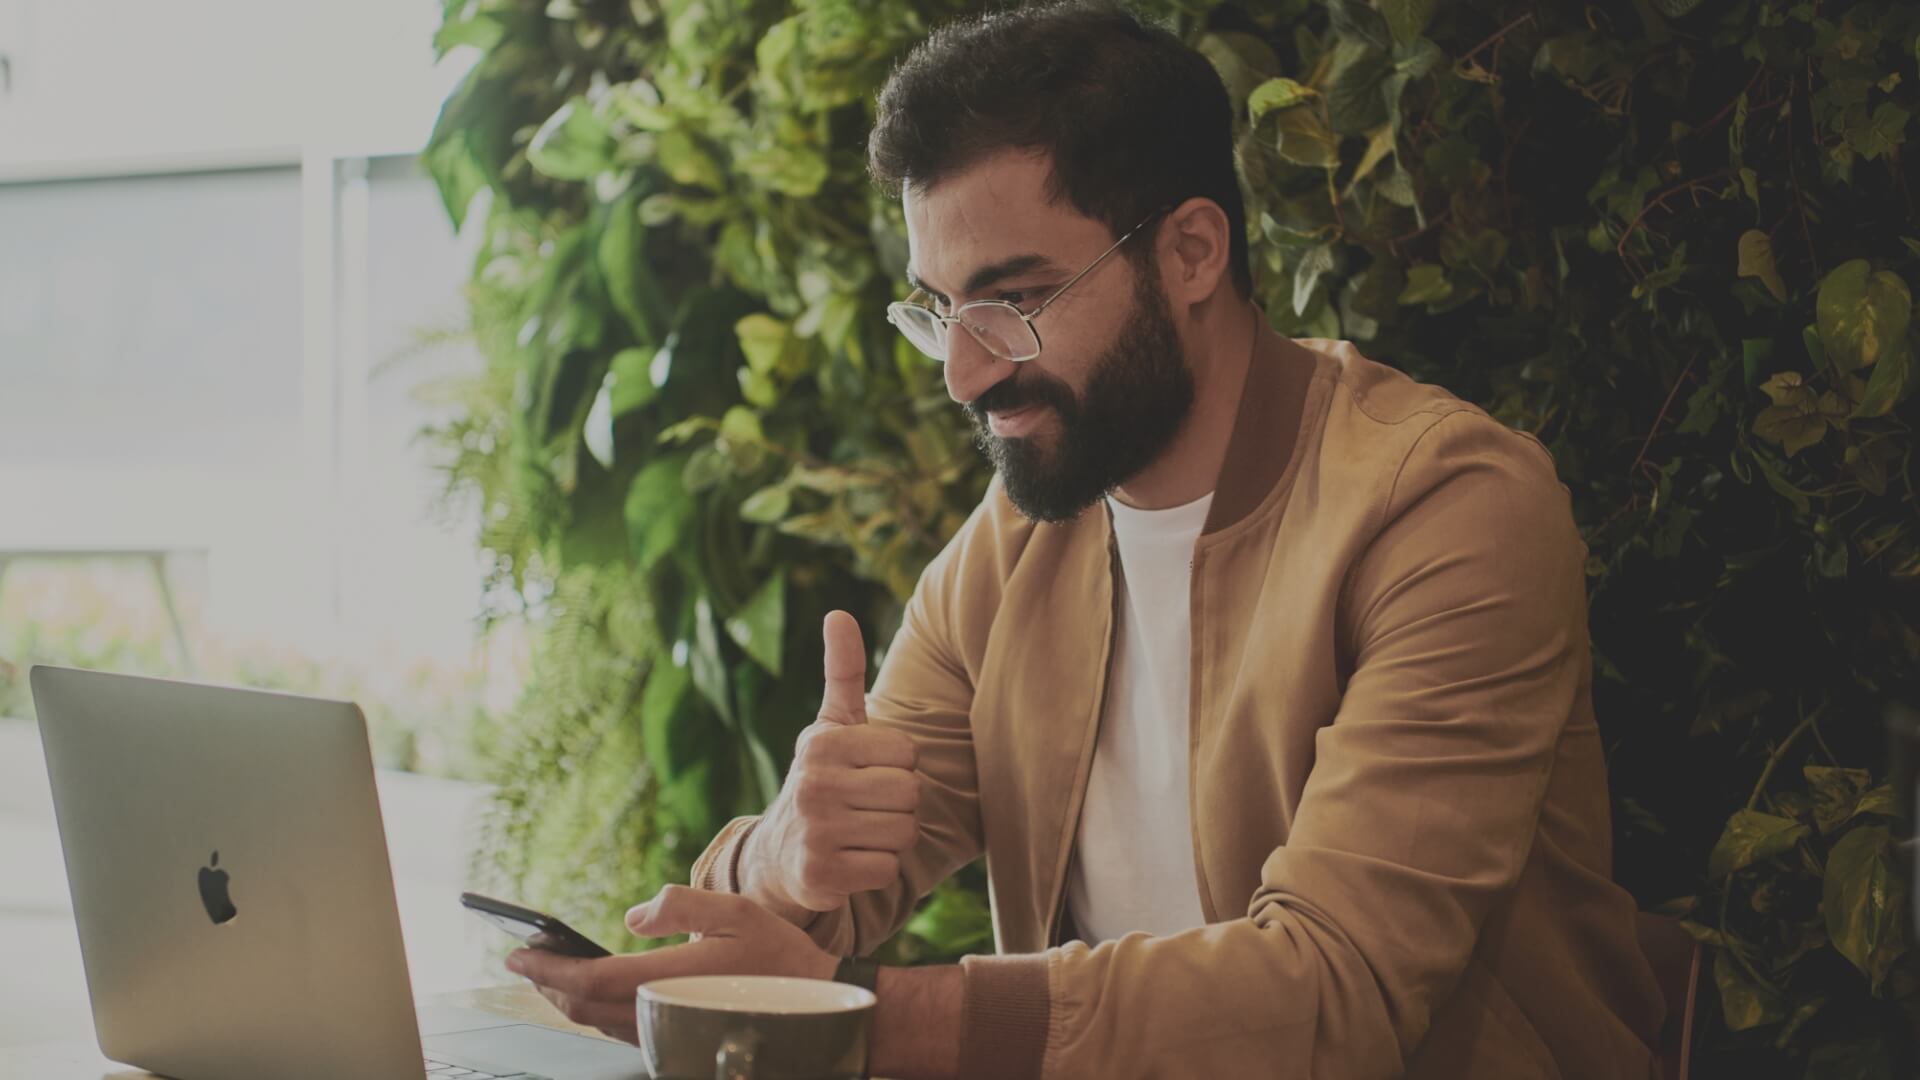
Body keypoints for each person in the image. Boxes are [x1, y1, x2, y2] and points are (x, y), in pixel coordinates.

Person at [507, 3, 1669, 1077]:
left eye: (1015, 301)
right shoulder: (1019, 543)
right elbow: (808, 911)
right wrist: (791, 859)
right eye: (939, 309)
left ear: (1193, 252)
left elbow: (1335, 991)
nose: (966, 371)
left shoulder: (1444, 507)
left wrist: (865, 1018)